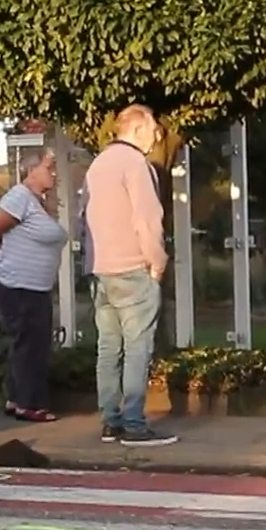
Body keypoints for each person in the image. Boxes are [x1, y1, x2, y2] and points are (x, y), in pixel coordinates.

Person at [83, 104, 177, 446]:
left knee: (109, 347)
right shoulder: (137, 164)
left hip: (101, 269)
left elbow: (86, 218)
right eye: (153, 131)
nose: (156, 137)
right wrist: (158, 261)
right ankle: (135, 425)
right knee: (138, 347)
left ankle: (111, 422)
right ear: (138, 129)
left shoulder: (98, 163)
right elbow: (147, 219)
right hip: (132, 266)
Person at [0, 146, 67, 422]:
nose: (53, 173)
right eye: (48, 167)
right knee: (32, 343)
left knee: (28, 342)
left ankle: (17, 399)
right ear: (31, 170)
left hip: (33, 285)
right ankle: (29, 404)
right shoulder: (19, 196)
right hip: (18, 283)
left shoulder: (38, 201)